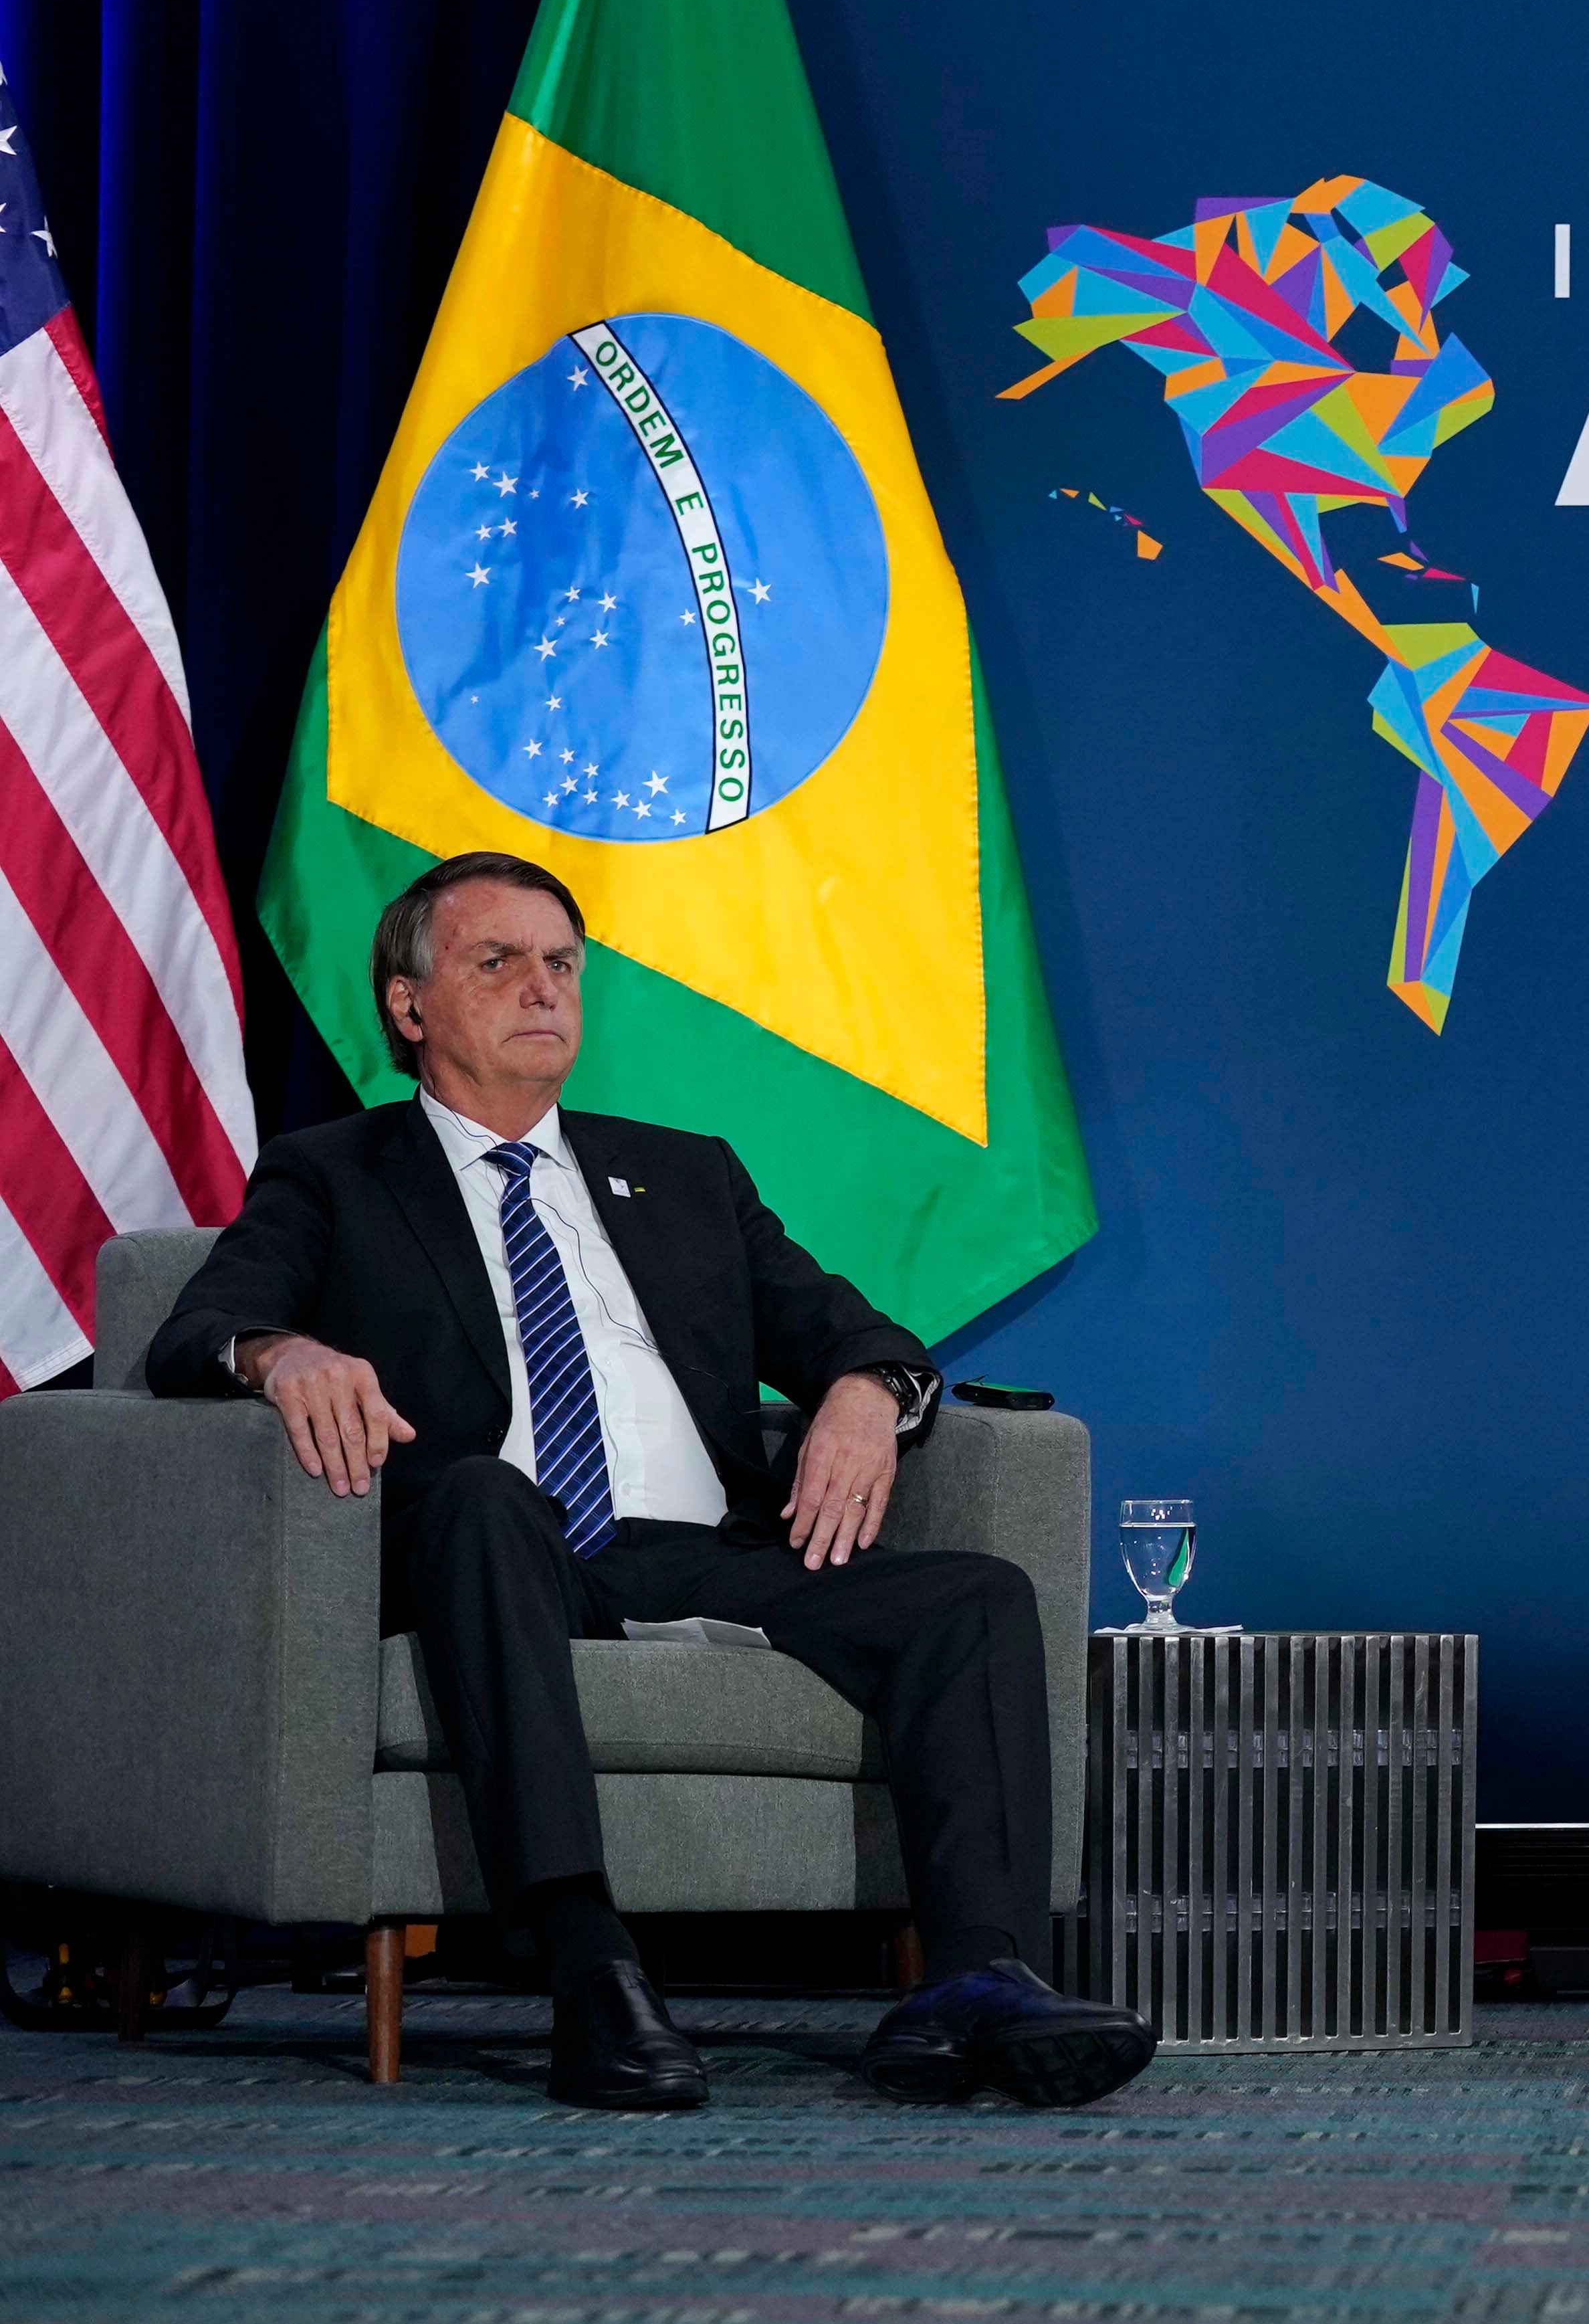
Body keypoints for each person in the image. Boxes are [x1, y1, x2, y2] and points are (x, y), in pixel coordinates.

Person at [149, 852, 1156, 2113]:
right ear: (409, 1005)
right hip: (491, 1554)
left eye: (562, 965)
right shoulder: (336, 1172)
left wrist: (867, 1392)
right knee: (480, 1496)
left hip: (690, 1550)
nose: (543, 989)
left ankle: (973, 1981)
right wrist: (281, 1352)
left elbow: (852, 1330)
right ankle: (591, 1970)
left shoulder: (685, 1175)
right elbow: (198, 1330)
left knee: (975, 1597)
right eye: (497, 962)